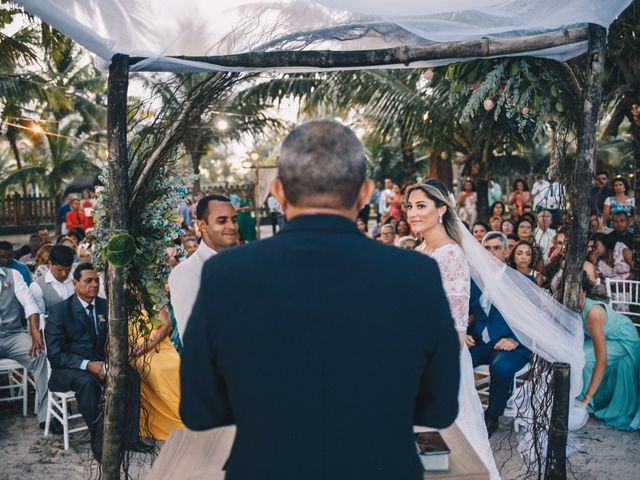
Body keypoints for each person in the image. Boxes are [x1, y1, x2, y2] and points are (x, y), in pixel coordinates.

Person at [181, 120, 460, 480]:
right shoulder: (416, 274)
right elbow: (438, 409)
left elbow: (199, 411)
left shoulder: (226, 275)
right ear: (365, 193)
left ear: (278, 192)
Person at [407, 180, 500, 479]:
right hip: (414, 356)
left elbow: (457, 331)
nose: (413, 213)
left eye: (421, 206)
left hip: (439, 362)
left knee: (453, 440)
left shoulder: (451, 256)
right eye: (410, 206)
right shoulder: (418, 251)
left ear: (442, 209)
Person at [45, 263, 146, 460]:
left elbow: (113, 339)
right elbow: (55, 354)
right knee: (88, 383)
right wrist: (87, 365)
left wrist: (114, 358)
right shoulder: (60, 311)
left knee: (131, 375)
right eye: (88, 281)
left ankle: (130, 438)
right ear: (75, 283)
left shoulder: (104, 306)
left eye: (96, 281)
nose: (94, 284)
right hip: (70, 368)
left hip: (100, 363)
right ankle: (99, 442)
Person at [467, 231, 530, 436]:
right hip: (478, 341)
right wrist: (462, 332)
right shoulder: (473, 280)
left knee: (500, 367)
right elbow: (462, 311)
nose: (491, 253)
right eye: (486, 248)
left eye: (496, 248)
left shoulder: (521, 281)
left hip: (511, 344)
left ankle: (492, 416)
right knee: (453, 359)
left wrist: (515, 339)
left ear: (506, 251)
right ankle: (461, 413)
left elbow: (535, 321)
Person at [168, 195, 238, 340]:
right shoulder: (186, 272)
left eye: (234, 220)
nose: (231, 226)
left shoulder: (241, 262)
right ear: (202, 226)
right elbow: (191, 338)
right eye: (222, 220)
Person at [579, 274, 640, 430]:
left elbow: (602, 361)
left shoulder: (592, 313)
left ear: (584, 292)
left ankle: (585, 406)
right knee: (574, 352)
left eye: (576, 291)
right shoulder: (570, 305)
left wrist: (586, 399)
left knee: (583, 357)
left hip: (622, 338)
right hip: (606, 335)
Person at [0, 260, 49, 430]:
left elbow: (29, 303)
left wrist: (35, 332)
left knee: (40, 355)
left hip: (13, 334)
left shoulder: (12, 274)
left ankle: (46, 416)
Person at [134, 306, 185, 441]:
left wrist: (150, 344)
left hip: (159, 344)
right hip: (135, 350)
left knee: (176, 365)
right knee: (156, 371)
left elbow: (167, 326)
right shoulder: (116, 304)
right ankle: (173, 421)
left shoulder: (153, 300)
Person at [30, 245, 75, 315]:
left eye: (68, 270)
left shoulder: (78, 279)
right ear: (50, 264)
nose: (64, 274)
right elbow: (39, 316)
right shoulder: (37, 286)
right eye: (60, 270)